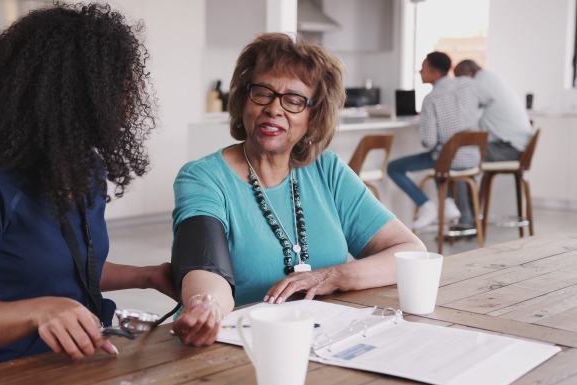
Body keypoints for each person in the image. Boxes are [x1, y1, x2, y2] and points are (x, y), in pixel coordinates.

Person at [0, 4, 174, 370]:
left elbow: (74, 268)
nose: (126, 103)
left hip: (94, 361)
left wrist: (148, 276)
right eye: (115, 87)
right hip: (16, 370)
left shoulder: (85, 168)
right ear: (70, 93)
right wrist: (41, 311)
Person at [169, 33, 425, 346]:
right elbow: (205, 266)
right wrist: (205, 305)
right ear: (243, 100)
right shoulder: (203, 177)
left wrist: (332, 276)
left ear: (313, 116)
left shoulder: (326, 169)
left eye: (293, 100)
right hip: (234, 345)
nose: (274, 109)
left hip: (321, 341)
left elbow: (409, 251)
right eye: (262, 93)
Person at [387, 51, 481, 230]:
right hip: (473, 156)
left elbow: (428, 141)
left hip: (448, 160)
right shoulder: (466, 88)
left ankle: (426, 205)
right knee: (439, 155)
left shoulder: (431, 99)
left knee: (395, 167)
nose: (420, 72)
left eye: (423, 68)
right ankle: (448, 204)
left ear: (435, 72)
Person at [454, 59, 533, 162]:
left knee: (461, 155)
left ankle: (464, 178)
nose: (459, 85)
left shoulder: (479, 83)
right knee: (463, 152)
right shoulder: (489, 78)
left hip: (509, 149)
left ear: (470, 73)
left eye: (460, 80)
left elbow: (468, 119)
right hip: (516, 146)